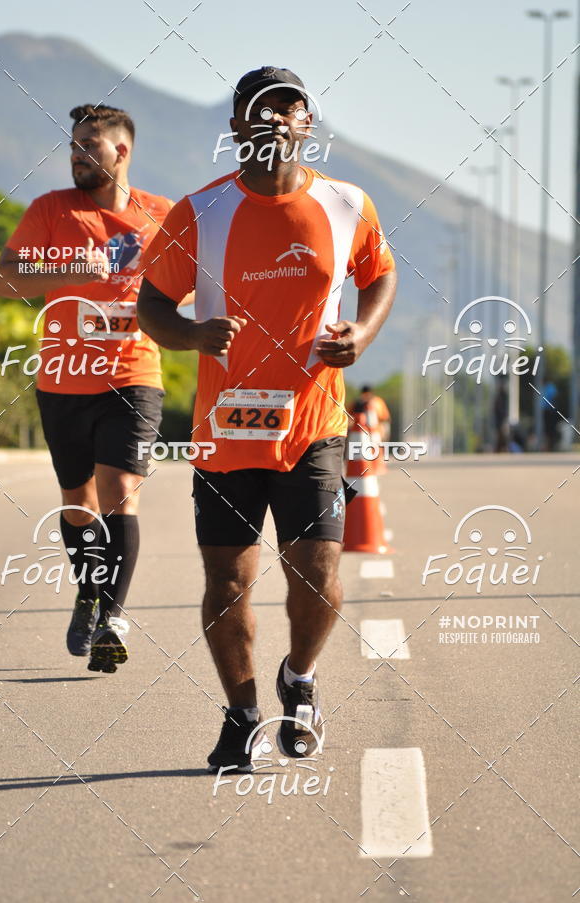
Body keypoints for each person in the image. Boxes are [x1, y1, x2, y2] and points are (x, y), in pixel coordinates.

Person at [138, 66, 397, 771]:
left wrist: (362, 336)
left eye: (290, 108)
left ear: (307, 124)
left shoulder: (348, 205)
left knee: (316, 577)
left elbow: (380, 275)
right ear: (236, 129)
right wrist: (193, 335)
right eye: (261, 109)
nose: (276, 119)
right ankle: (243, 713)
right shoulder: (200, 213)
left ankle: (300, 679)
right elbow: (152, 304)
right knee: (226, 583)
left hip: (315, 424)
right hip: (225, 435)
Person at [0, 104, 176, 673]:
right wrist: (73, 271)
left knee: (121, 488)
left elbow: (192, 288)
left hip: (133, 374)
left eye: (90, 144)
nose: (77, 152)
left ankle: (112, 620)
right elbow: (5, 279)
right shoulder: (50, 209)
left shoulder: (163, 215)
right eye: (74, 144)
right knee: (79, 506)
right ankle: (90, 592)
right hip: (62, 380)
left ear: (121, 152)